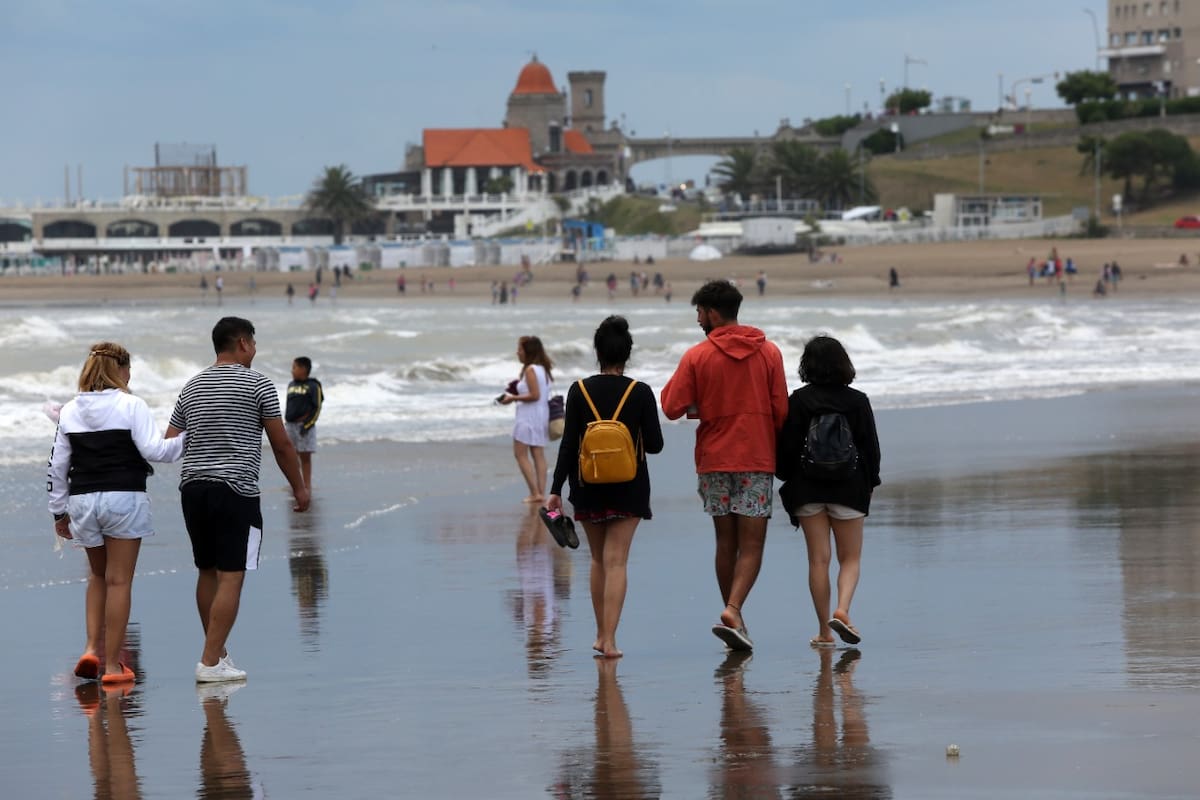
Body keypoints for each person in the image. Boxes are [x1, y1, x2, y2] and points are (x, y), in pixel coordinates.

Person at [166, 317, 310, 683]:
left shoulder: (192, 385)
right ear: (243, 343)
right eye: (254, 343)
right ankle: (210, 662)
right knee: (232, 576)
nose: (255, 350)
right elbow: (281, 443)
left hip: (193, 488)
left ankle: (218, 654)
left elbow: (169, 442)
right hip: (235, 490)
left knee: (207, 572)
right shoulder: (258, 383)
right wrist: (299, 487)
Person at [660, 280, 788, 652]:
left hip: (714, 459)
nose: (699, 319)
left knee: (725, 541)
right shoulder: (769, 353)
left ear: (713, 313)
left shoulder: (697, 356)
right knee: (752, 544)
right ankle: (733, 610)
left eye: (699, 312)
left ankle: (736, 617)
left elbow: (670, 406)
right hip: (756, 456)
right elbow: (781, 410)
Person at [47, 342, 185, 684]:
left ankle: (92, 649)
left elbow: (56, 467)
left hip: (82, 501)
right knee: (119, 581)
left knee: (97, 577)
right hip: (123, 498)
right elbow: (157, 451)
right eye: (128, 370)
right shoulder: (131, 405)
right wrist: (190, 435)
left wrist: (58, 514)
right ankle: (111, 668)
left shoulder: (69, 411)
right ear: (120, 370)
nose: (129, 376)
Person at [547, 316, 664, 658]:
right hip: (630, 486)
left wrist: (555, 488)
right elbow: (655, 445)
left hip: (587, 485)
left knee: (597, 561)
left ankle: (600, 634)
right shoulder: (640, 392)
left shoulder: (579, 390)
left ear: (597, 351)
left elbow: (569, 445)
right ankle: (610, 639)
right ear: (627, 354)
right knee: (617, 562)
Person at [775, 336, 880, 648]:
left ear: (807, 365)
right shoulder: (857, 401)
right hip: (849, 488)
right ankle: (843, 609)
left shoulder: (799, 401)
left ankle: (824, 631)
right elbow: (871, 451)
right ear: (843, 363)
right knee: (850, 559)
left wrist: (788, 479)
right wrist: (868, 485)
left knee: (818, 561)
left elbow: (786, 452)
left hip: (808, 490)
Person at [499, 335, 554, 503]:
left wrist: (512, 398)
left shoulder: (530, 369)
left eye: (520, 349)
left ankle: (535, 492)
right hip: (541, 415)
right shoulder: (543, 369)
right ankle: (540, 493)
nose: (517, 352)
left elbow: (535, 395)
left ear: (528, 352)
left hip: (528, 417)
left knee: (520, 454)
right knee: (538, 453)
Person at [284, 356, 324, 491]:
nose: (291, 370)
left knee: (305, 457)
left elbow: (317, 407)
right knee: (291, 456)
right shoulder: (291, 385)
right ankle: (295, 484)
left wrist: (307, 425)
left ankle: (307, 485)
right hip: (290, 426)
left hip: (305, 426)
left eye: (294, 367)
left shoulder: (313, 386)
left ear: (303, 369)